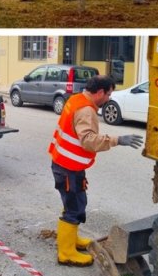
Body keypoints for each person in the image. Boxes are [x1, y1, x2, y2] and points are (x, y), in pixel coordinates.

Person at [48, 75, 144, 266]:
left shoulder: (76, 99)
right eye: (108, 94)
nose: (109, 98)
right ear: (99, 92)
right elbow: (88, 141)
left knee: (73, 203)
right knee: (75, 207)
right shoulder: (86, 111)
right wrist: (118, 140)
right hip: (68, 167)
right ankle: (66, 253)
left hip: (64, 163)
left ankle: (71, 240)